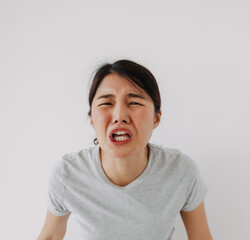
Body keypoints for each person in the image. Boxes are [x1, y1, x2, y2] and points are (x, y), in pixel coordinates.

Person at [37, 59, 212, 240]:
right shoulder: (66, 173)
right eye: (106, 103)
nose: (119, 116)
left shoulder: (181, 170)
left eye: (134, 102)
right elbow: (50, 235)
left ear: (156, 118)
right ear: (91, 118)